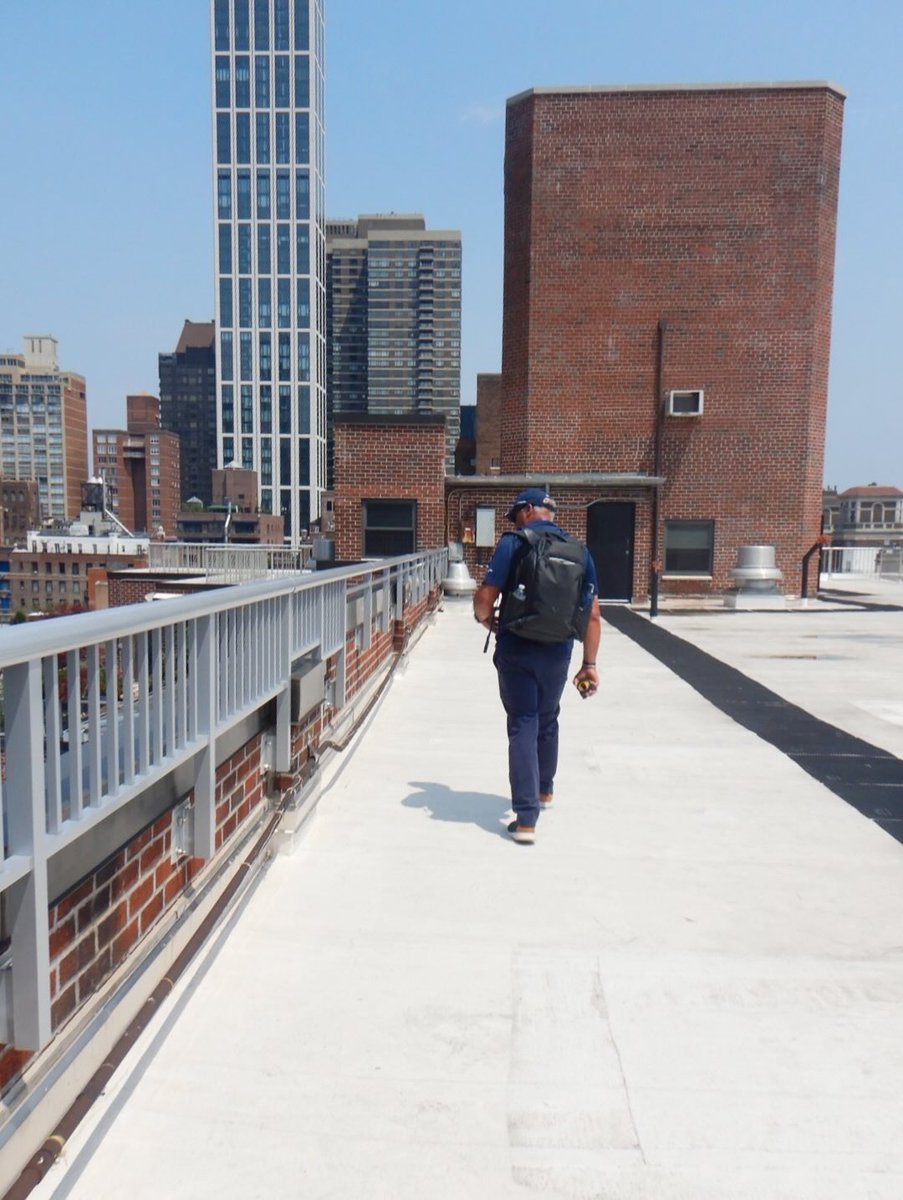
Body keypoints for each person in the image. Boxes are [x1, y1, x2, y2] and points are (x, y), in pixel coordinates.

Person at [473, 488, 602, 845]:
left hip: (517, 647)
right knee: (547, 717)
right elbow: (592, 614)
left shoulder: (514, 544)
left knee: (523, 724)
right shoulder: (580, 551)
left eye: (515, 515)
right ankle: (544, 790)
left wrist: (486, 621)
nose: (515, 522)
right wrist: (589, 664)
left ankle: (526, 818)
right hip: (558, 651)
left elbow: (486, 597)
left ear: (528, 510)